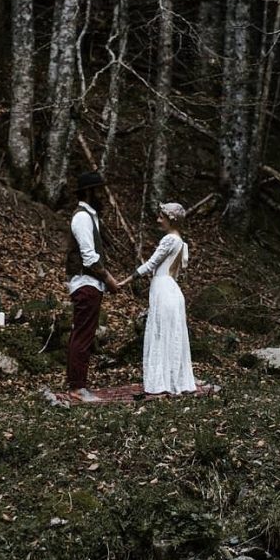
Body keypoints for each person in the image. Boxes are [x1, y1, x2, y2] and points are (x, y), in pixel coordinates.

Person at [118, 202, 196, 396]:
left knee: (162, 333)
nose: (158, 220)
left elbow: (151, 263)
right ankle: (171, 380)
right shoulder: (180, 242)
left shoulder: (170, 240)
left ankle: (162, 382)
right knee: (170, 332)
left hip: (164, 289)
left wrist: (125, 280)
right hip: (170, 289)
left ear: (171, 220)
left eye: (162, 217)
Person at [66, 170, 119, 402]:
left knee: (84, 334)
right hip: (86, 283)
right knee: (83, 335)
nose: (102, 195)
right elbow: (89, 257)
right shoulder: (82, 217)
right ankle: (77, 387)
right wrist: (109, 279)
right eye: (98, 190)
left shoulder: (90, 216)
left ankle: (78, 384)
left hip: (90, 283)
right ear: (88, 192)